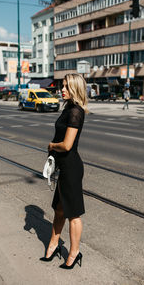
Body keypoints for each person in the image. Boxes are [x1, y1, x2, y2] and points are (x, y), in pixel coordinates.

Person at [40, 73, 88, 269]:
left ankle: (74, 253)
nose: (62, 89)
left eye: (67, 86)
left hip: (71, 167)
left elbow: (67, 145)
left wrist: (52, 145)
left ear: (75, 88)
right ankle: (53, 245)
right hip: (62, 166)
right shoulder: (67, 108)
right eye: (62, 86)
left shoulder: (76, 111)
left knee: (73, 214)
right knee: (59, 210)